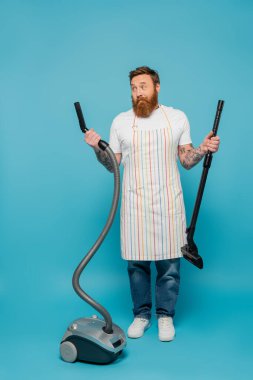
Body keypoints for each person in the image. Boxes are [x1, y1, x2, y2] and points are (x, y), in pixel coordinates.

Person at [84, 66, 220, 342]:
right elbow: (113, 165)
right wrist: (97, 149)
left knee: (170, 264)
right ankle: (142, 315)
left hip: (169, 203)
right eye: (134, 88)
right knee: (137, 265)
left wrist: (203, 149)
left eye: (143, 86)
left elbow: (186, 159)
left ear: (157, 87)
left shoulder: (176, 118)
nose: (138, 93)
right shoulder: (121, 121)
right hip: (135, 204)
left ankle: (166, 316)